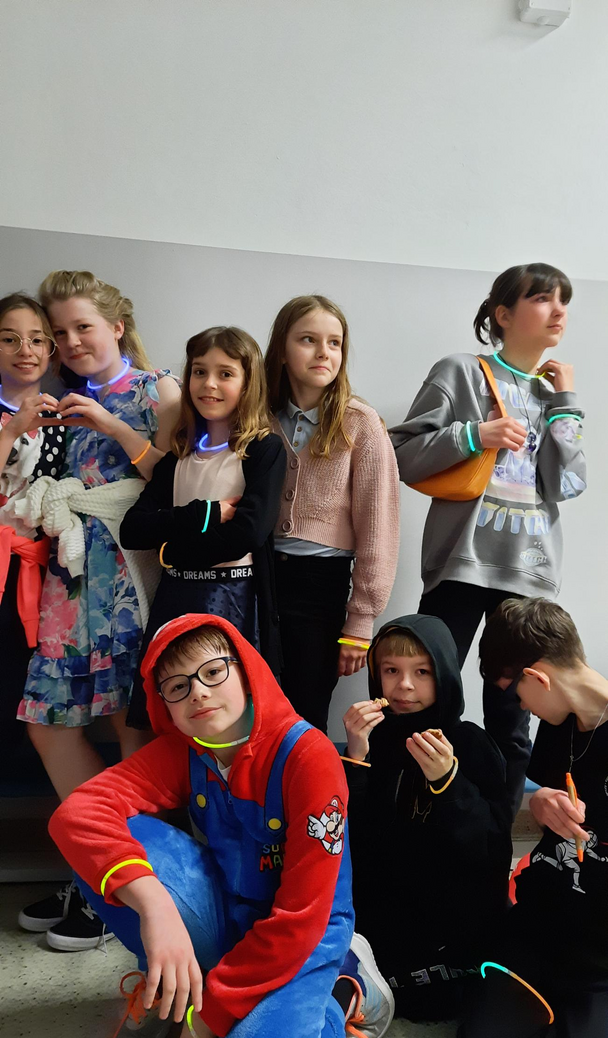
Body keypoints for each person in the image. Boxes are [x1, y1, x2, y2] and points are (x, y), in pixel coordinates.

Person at [48, 613, 356, 1038]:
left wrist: (207, 1021)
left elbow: (301, 918)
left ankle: (338, 994)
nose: (198, 692)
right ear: (164, 705)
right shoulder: (186, 749)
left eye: (213, 672)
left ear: (247, 672)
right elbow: (76, 815)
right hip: (230, 915)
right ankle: (172, 984)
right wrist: (155, 908)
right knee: (103, 847)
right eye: (177, 686)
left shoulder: (308, 756)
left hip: (304, 937)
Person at [16, 270, 181, 949]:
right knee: (47, 725)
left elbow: (178, 482)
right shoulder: (57, 399)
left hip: (128, 578)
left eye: (83, 326)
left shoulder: (158, 390)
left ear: (117, 325)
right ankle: (97, 869)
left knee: (130, 728)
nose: (71, 341)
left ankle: (136, 891)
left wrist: (110, 424)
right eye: (59, 332)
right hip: (69, 579)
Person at [389, 263, 586, 813]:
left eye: (563, 301)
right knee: (429, 696)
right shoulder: (460, 372)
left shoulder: (552, 393)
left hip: (528, 573)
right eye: (543, 298)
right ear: (503, 314)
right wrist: (477, 434)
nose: (559, 310)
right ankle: (419, 819)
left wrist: (566, 402)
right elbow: (400, 454)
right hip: (461, 562)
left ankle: (495, 832)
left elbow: (569, 484)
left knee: (512, 713)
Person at [451, 597, 608, 1038]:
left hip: (601, 959)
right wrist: (539, 804)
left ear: (538, 678)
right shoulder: (562, 724)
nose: (521, 707)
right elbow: (548, 804)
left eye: (516, 693)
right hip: (536, 931)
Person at [342, 614, 512, 1020]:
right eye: (391, 670)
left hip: (446, 911)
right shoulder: (375, 736)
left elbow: (489, 851)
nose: (404, 685)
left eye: (422, 672)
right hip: (385, 899)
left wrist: (448, 781)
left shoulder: (470, 744)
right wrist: (356, 756)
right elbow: (354, 837)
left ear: (446, 675)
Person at [120, 325, 286, 731]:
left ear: (248, 383)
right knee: (174, 710)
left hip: (231, 600)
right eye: (199, 372)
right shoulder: (177, 458)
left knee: (229, 713)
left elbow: (246, 535)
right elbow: (133, 530)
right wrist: (205, 514)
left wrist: (171, 550)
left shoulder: (262, 449)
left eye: (225, 374)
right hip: (174, 597)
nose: (209, 384)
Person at [265, 294, 400, 733]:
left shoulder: (360, 422)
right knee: (253, 705)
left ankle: (307, 781)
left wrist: (360, 622)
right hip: (255, 578)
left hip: (320, 588)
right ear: (281, 350)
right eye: (308, 340)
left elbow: (378, 528)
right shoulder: (257, 415)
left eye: (335, 343)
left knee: (304, 712)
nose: (324, 352)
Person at [0, 293, 67, 766]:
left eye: (37, 340)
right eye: (10, 339)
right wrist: (10, 431)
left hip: (37, 571)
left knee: (16, 678)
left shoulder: (65, 420)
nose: (25, 350)